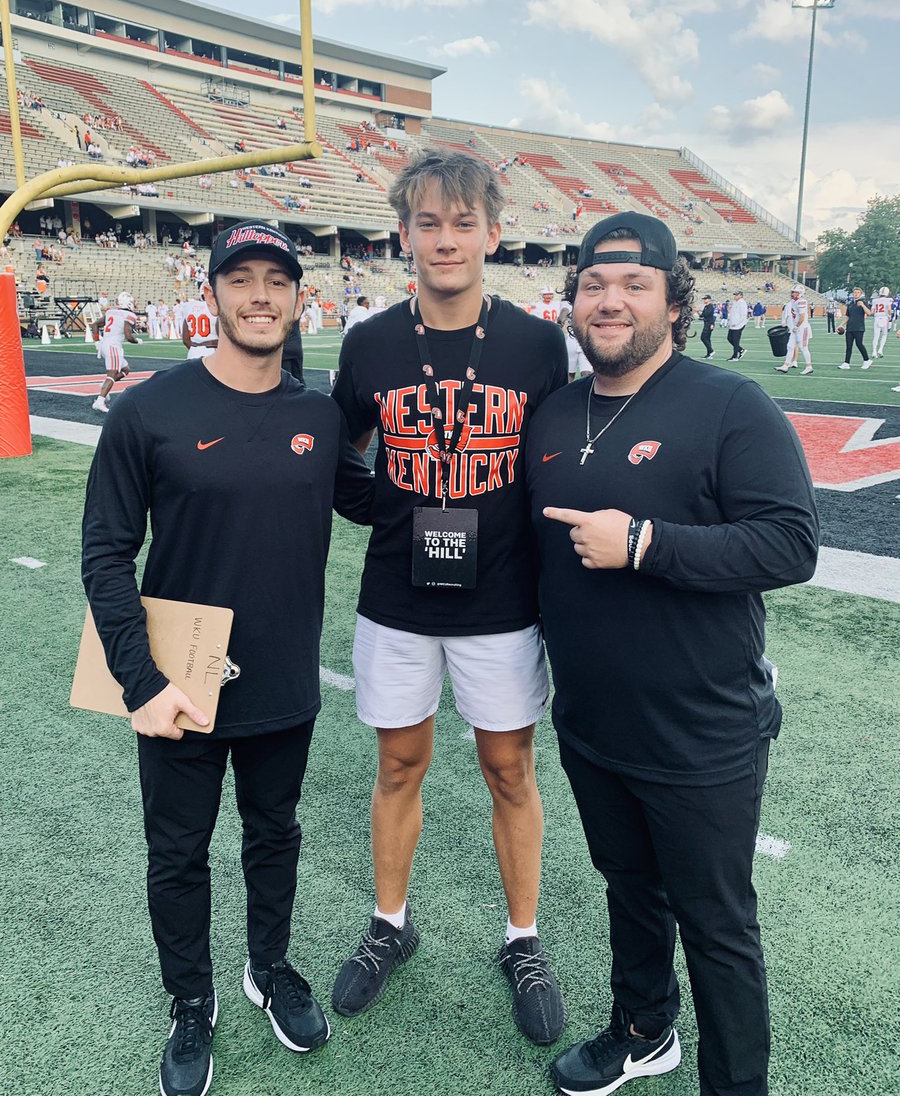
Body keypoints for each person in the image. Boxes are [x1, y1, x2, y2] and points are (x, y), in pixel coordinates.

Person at [525, 212, 818, 1096]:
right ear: (573, 303)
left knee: (718, 927)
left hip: (702, 728)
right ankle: (645, 1029)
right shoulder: (553, 412)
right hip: (591, 718)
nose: (610, 302)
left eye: (634, 285)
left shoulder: (730, 404)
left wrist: (647, 542)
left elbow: (790, 545)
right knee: (627, 888)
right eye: (593, 286)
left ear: (674, 303)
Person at [82, 220, 373, 1096]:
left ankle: (268, 967)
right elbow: (104, 553)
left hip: (283, 673)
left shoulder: (318, 419)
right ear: (210, 295)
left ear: (296, 299)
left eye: (275, 281)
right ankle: (190, 1001)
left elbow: (384, 507)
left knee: (274, 833)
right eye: (240, 279)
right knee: (177, 851)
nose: (259, 295)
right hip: (178, 677)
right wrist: (142, 680)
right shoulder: (148, 410)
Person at [330, 148, 568, 1044]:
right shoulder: (370, 343)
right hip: (398, 595)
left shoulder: (537, 345)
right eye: (427, 222)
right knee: (399, 763)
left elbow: (556, 463)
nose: (445, 239)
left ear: (493, 234)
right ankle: (392, 923)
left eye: (463, 222)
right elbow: (343, 450)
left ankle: (522, 936)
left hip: (503, 598)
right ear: (403, 235)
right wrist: (385, 508)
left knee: (509, 767)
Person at [91, 292, 141, 413]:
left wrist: (97, 341)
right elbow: (128, 336)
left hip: (104, 344)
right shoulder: (129, 315)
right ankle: (100, 401)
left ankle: (104, 384)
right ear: (128, 302)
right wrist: (137, 341)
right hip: (113, 346)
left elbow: (95, 324)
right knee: (112, 375)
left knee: (125, 370)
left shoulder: (110, 312)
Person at [775, 285, 813, 376]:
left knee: (803, 347)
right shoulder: (793, 302)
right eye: (793, 292)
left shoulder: (801, 301)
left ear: (800, 293)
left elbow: (802, 316)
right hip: (795, 328)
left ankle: (809, 366)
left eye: (795, 292)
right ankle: (786, 365)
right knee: (790, 346)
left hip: (802, 327)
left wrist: (797, 326)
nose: (793, 294)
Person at [180, 283, 219, 359]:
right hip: (212, 349)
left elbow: (185, 339)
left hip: (193, 351)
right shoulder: (217, 307)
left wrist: (195, 349)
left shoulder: (189, 307)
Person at [839, 288, 872, 369]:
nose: (856, 294)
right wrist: (841, 325)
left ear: (861, 293)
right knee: (848, 346)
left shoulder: (863, 302)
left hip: (859, 328)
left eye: (858, 292)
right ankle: (846, 363)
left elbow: (869, 313)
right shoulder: (850, 304)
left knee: (859, 344)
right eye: (855, 292)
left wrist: (863, 305)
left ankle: (867, 360)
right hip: (850, 328)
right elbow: (847, 316)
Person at [725, 290, 748, 360]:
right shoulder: (735, 302)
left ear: (740, 296)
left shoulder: (742, 303)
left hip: (738, 325)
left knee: (735, 340)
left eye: (736, 295)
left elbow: (743, 315)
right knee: (729, 338)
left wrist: (737, 323)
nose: (734, 296)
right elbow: (733, 313)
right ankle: (741, 350)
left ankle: (735, 356)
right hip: (732, 324)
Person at [871, 286, 892, 358]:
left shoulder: (874, 300)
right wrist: (889, 315)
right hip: (884, 318)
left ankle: (874, 351)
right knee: (884, 334)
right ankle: (880, 349)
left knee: (876, 336)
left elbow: (872, 311)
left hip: (877, 318)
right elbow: (889, 309)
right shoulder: (889, 300)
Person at [699, 294, 716, 358]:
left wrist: (712, 324)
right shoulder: (706, 306)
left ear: (709, 299)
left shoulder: (710, 306)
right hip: (706, 323)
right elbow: (702, 315)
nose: (704, 300)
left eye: (705, 299)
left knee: (703, 337)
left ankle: (711, 351)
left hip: (709, 323)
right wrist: (698, 311)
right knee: (707, 338)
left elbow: (706, 314)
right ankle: (709, 353)